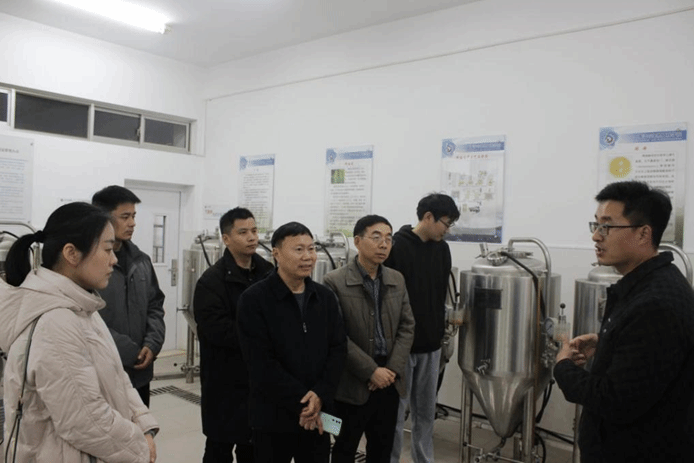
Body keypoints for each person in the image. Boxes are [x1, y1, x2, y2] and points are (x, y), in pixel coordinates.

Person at [0, 202, 159, 462]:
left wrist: (143, 424)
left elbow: (117, 378)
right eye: (107, 249)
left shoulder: (83, 307)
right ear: (72, 254)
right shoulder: (55, 323)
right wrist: (139, 448)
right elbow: (85, 422)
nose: (114, 259)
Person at [554, 181, 694, 463]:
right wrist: (608, 342)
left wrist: (563, 367)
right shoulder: (653, 284)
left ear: (643, 233)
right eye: (595, 224)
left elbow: (615, 401)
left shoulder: (655, 304)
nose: (596, 236)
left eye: (607, 226)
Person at [236, 222, 347, 463]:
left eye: (311, 249)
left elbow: (338, 349)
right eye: (299, 249)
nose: (308, 256)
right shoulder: (254, 300)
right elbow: (260, 363)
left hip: (319, 415)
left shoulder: (324, 297)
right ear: (276, 254)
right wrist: (304, 402)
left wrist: (320, 395)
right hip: (273, 417)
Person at [323, 215, 415, 463]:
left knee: (382, 449)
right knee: (344, 448)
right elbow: (335, 335)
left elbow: (407, 326)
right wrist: (371, 371)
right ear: (357, 241)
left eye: (388, 238)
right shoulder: (334, 281)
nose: (383, 244)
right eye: (376, 237)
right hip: (351, 381)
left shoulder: (396, 279)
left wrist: (391, 370)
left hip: (389, 380)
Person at [193, 208, 274, 463]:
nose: (252, 237)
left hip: (261, 382)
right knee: (219, 448)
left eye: (254, 230)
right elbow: (218, 331)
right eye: (243, 232)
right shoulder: (211, 282)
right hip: (225, 383)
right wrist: (262, 336)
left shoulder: (268, 273)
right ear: (226, 239)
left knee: (254, 450)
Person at [386, 193, 460, 463]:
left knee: (426, 415)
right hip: (401, 348)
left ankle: (423, 460)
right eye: (445, 223)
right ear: (428, 217)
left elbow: (439, 295)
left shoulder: (442, 250)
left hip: (431, 346)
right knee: (394, 416)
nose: (447, 230)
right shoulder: (396, 247)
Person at [92, 185, 165, 407]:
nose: (132, 223)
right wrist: (128, 351)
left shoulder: (141, 260)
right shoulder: (89, 265)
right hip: (105, 376)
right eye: (125, 217)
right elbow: (88, 319)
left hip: (140, 374)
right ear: (103, 217)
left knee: (142, 426)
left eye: (134, 216)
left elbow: (155, 306)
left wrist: (152, 344)